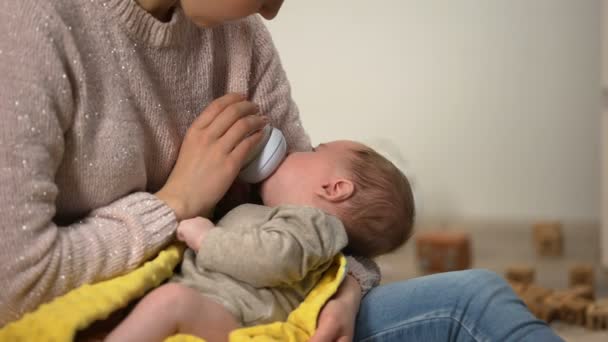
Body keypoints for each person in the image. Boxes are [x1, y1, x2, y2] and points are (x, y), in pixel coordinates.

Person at [0, 0, 564, 340]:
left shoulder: (241, 38)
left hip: (269, 318)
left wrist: (343, 292)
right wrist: (174, 205)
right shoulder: (33, 26)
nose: (274, 8)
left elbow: (333, 217)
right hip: (123, 320)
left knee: (476, 298)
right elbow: (14, 285)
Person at [106, 140, 415, 342]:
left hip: (236, 318)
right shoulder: (283, 220)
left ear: (334, 188)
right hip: (218, 307)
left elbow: (272, 260)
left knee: (170, 301)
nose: (295, 148)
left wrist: (207, 238)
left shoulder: (314, 226)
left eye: (313, 150)